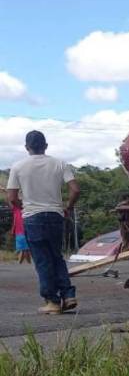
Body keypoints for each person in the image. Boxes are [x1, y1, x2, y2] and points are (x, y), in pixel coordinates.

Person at [6, 131, 80, 314]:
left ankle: (52, 302)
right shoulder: (60, 163)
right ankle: (68, 294)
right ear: (46, 146)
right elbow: (75, 190)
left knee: (42, 260)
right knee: (56, 256)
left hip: (32, 217)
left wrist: (22, 205)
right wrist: (68, 207)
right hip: (55, 215)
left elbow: (12, 197)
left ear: (26, 147)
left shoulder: (18, 167)